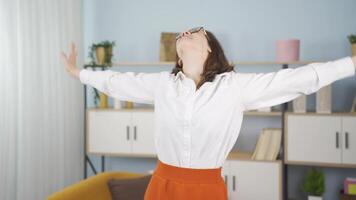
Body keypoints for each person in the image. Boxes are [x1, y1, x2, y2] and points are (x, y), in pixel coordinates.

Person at [61, 27, 356, 200]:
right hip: (162, 185)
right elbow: (116, 82)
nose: (186, 31)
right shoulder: (163, 84)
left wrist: (351, 64)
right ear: (178, 56)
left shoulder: (235, 87)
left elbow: (300, 79)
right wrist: (78, 72)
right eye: (185, 32)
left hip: (207, 188)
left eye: (197, 32)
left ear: (211, 51)